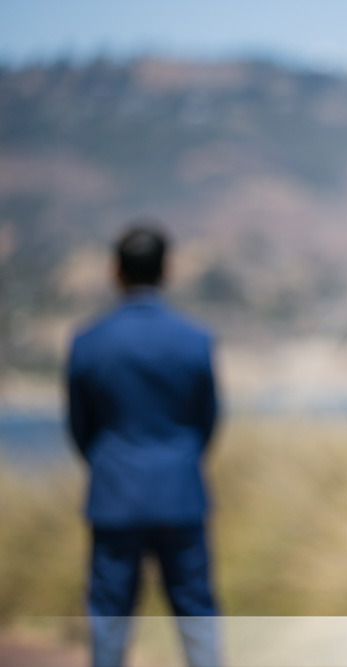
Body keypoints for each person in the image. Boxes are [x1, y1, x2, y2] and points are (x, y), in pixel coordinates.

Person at [66, 224, 220, 667]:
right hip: (181, 491)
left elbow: (79, 424)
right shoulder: (194, 339)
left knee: (110, 616)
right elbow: (206, 419)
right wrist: (182, 458)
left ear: (115, 272)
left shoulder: (87, 342)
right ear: (166, 270)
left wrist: (107, 461)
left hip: (114, 494)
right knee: (196, 613)